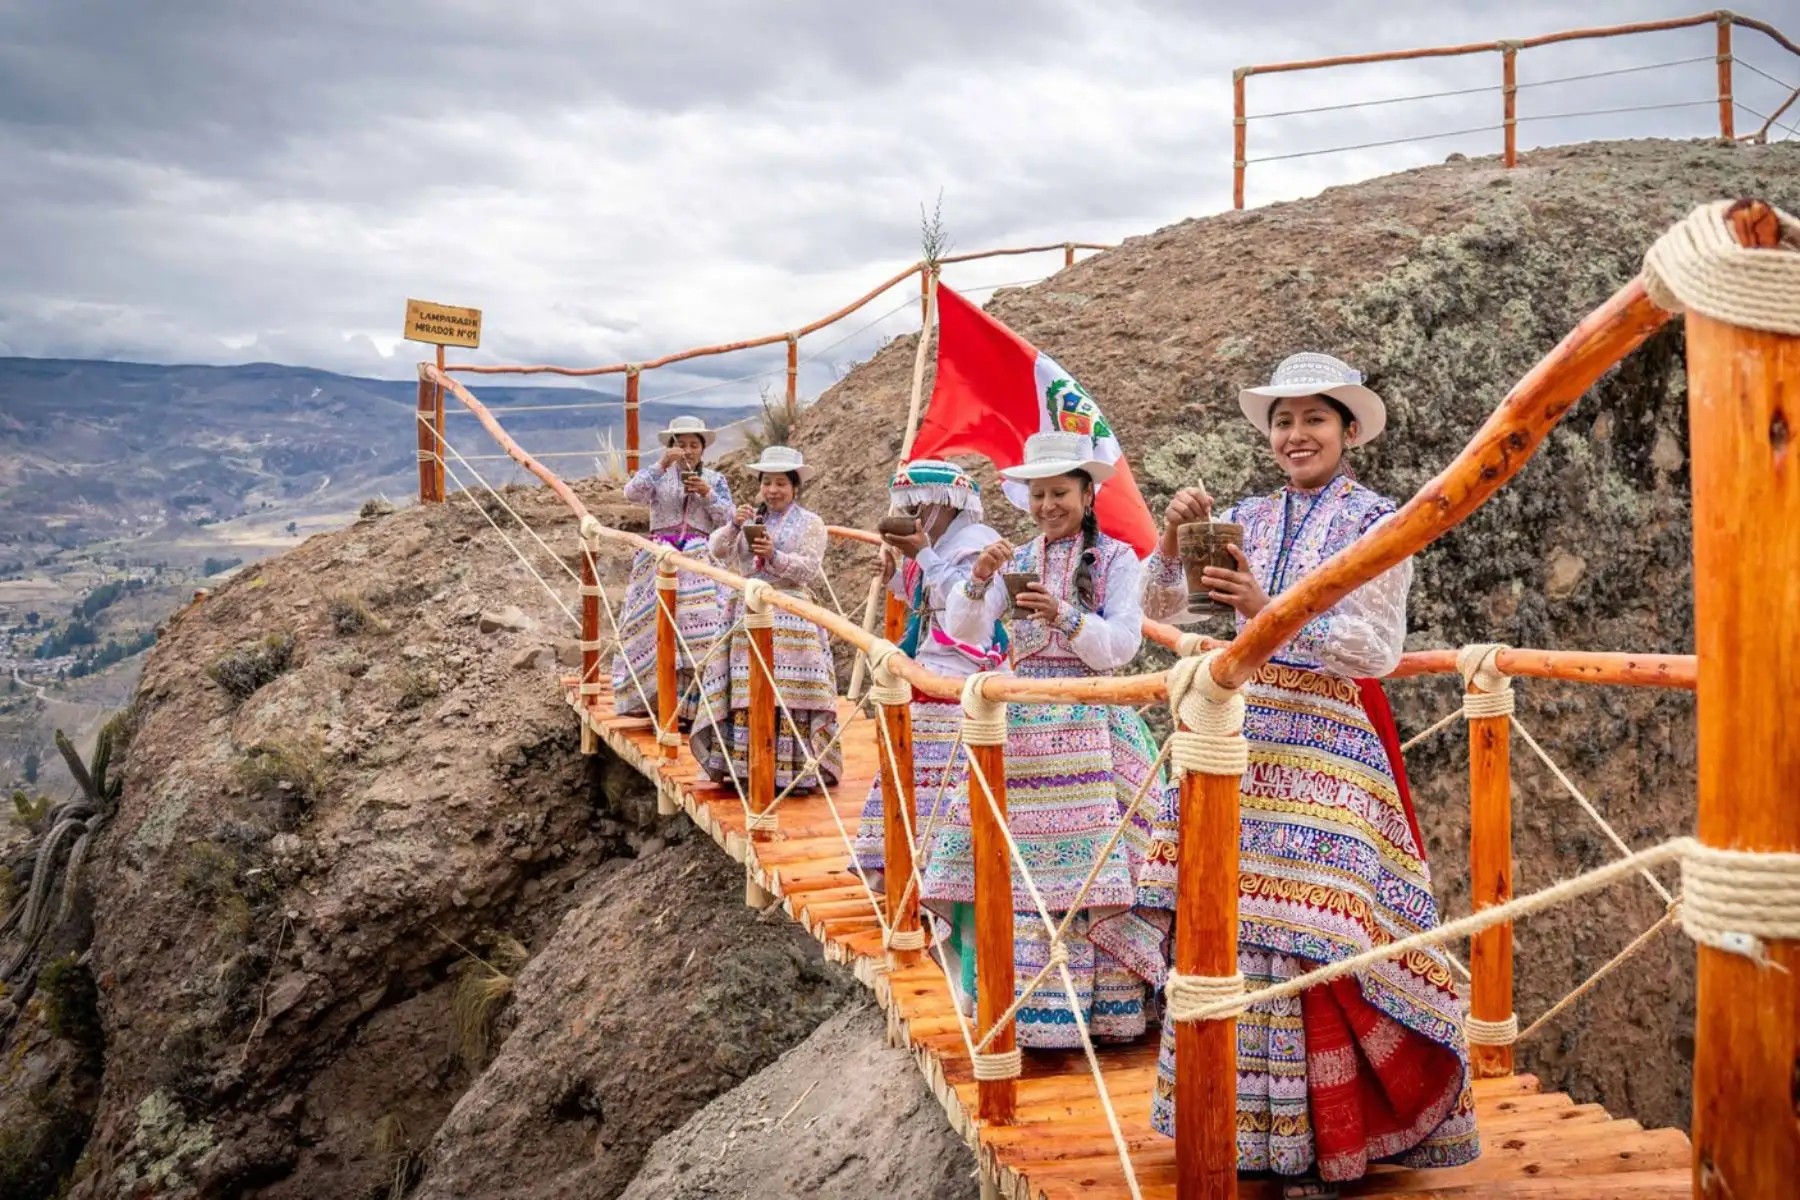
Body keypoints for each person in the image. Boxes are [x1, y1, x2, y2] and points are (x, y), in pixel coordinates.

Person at [1141, 353, 1477, 1192]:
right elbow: (1158, 616)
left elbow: (1376, 647)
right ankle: (1242, 1137)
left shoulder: (1377, 519)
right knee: (1235, 931)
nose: (1296, 436)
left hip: (1328, 751)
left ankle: (1327, 1148)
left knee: (1318, 941)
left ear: (1348, 430)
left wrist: (1267, 612)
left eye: (1314, 420)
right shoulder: (1245, 517)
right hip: (1240, 744)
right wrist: (1168, 543)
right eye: (1283, 422)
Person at [922, 430, 1171, 1047]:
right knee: (1015, 864)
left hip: (1093, 721)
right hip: (1024, 718)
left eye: (1060, 492)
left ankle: (1106, 1011)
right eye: (1038, 495)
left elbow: (1120, 647)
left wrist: (1064, 614)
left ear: (1088, 494)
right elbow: (967, 629)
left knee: (1100, 869)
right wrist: (980, 581)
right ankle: (1028, 1009)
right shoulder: (1017, 556)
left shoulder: (1117, 562)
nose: (1047, 506)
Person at [851, 460, 1005, 892]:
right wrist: (895, 577)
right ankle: (903, 865)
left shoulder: (976, 543)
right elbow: (923, 598)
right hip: (927, 662)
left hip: (960, 667)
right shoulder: (933, 543)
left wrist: (921, 553)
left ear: (945, 504)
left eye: (921, 504)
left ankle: (939, 872)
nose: (915, 513)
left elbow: (961, 609)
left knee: (943, 780)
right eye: (910, 505)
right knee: (913, 772)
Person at [689, 445, 841, 793]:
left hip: (792, 615)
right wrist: (733, 524)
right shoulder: (750, 519)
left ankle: (794, 772)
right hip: (746, 612)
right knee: (747, 689)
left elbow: (809, 570)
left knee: (788, 694)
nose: (772, 490)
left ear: (794, 487)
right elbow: (716, 550)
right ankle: (746, 768)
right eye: (767, 483)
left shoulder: (811, 523)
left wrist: (774, 555)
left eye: (780, 484)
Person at [612, 416, 734, 724]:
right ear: (671, 446)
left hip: (699, 561)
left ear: (703, 449)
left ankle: (696, 709)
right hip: (658, 558)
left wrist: (707, 493)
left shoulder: (716, 479)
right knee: (653, 629)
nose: (688, 450)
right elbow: (631, 493)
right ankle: (657, 703)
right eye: (681, 444)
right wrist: (661, 465)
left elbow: (727, 519)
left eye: (694, 445)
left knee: (702, 631)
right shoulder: (657, 475)